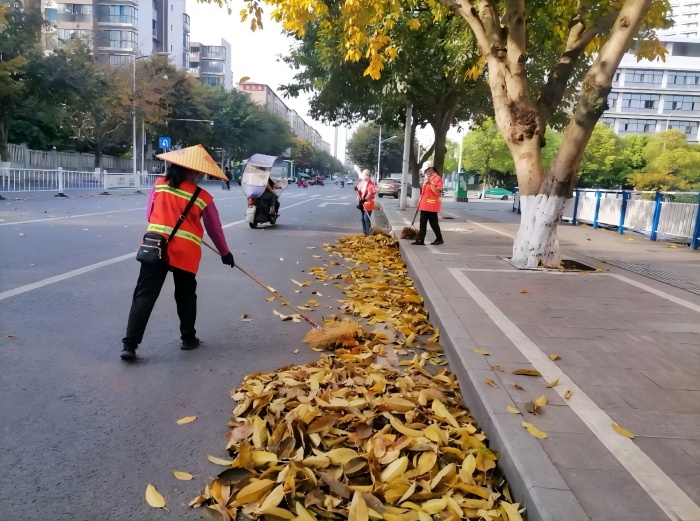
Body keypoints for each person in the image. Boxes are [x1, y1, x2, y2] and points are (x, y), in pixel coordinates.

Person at [121, 145, 235, 361]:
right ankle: (188, 338)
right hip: (185, 252)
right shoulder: (202, 196)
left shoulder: (159, 185)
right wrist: (225, 253)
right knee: (185, 295)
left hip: (155, 246)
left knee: (144, 294)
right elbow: (214, 229)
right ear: (194, 170)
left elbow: (149, 215)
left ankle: (130, 345)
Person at [412, 161, 444, 246]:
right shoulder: (428, 178)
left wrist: (430, 184)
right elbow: (424, 192)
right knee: (422, 223)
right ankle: (420, 239)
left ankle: (439, 238)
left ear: (430, 168)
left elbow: (437, 191)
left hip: (431, 206)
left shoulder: (437, 178)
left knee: (433, 223)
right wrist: (420, 202)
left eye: (426, 170)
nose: (425, 172)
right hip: (425, 205)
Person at [355, 169, 376, 235]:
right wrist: (356, 189)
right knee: (362, 219)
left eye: (366, 176)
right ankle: (364, 232)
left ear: (368, 176)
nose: (364, 178)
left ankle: (368, 233)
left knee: (366, 218)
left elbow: (370, 193)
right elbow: (359, 189)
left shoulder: (370, 184)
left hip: (368, 202)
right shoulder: (362, 182)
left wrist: (364, 200)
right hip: (361, 201)